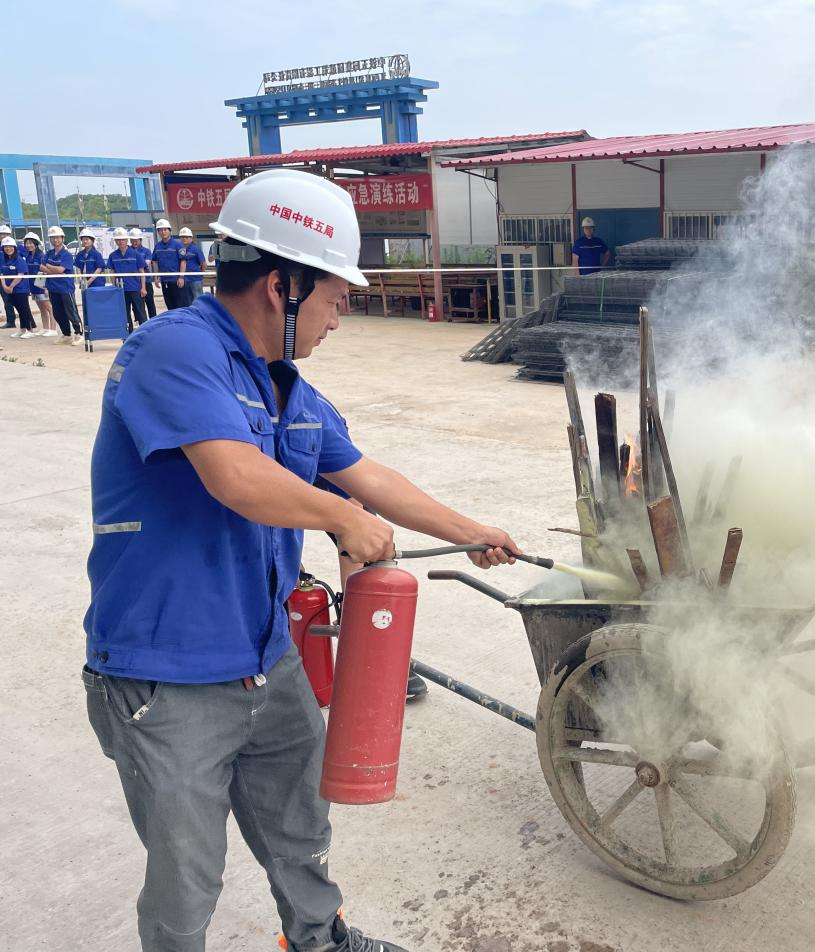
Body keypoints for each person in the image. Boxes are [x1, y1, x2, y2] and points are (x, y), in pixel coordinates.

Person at [83, 168, 519, 952]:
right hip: (168, 670)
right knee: (187, 875)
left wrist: (471, 530)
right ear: (282, 285)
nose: (340, 318)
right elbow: (237, 477)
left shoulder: (289, 390)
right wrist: (344, 520)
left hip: (266, 655)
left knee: (299, 825)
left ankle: (318, 940)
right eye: (337, 298)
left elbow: (368, 477)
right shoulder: (175, 350)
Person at [39, 226, 83, 344]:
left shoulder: (66, 255)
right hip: (52, 287)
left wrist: (49, 267)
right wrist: (54, 269)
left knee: (71, 311)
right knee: (57, 313)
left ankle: (78, 333)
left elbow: (61, 270)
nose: (55, 240)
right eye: (53, 238)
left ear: (62, 238)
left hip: (65, 287)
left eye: (58, 237)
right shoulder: (49, 253)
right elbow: (41, 267)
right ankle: (66, 334)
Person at [107, 227, 148, 331]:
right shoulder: (113, 256)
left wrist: (143, 288)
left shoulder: (136, 254)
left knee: (140, 312)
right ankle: (128, 334)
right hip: (121, 289)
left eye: (123, 239)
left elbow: (142, 271)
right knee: (125, 313)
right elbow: (112, 272)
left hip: (135, 288)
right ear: (115, 241)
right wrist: (114, 287)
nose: (120, 242)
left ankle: (145, 332)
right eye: (118, 240)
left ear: (127, 240)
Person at [1, 236, 36, 337]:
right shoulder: (3, 260)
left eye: (10, 246)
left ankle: (29, 330)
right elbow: (2, 274)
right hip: (9, 289)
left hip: (20, 289)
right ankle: (23, 329)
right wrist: (5, 286)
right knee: (19, 309)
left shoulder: (19, 259)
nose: (8, 249)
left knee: (23, 309)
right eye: (6, 247)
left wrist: (11, 286)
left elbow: (20, 275)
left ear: (14, 248)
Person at [24, 233, 58, 337]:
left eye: (31, 243)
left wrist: (44, 287)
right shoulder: (28, 256)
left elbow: (45, 271)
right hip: (32, 285)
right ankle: (45, 328)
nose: (28, 245)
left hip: (41, 284)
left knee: (49, 307)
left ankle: (53, 329)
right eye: (27, 243)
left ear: (36, 244)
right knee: (41, 308)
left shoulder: (42, 256)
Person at [75, 229, 106, 325]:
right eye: (83, 239)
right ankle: (90, 324)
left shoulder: (96, 254)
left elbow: (99, 268)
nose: (85, 241)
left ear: (92, 241)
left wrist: (89, 281)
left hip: (96, 283)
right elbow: (78, 267)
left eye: (87, 239)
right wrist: (80, 280)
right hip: (85, 284)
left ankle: (100, 323)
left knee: (97, 304)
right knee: (87, 305)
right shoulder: (80, 254)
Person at [151, 218, 183, 312]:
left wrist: (181, 277)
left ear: (170, 231)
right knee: (169, 306)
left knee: (179, 306)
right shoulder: (158, 246)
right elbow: (155, 262)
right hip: (164, 281)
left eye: (165, 229)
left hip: (176, 281)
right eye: (160, 230)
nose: (163, 232)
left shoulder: (178, 244)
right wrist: (156, 277)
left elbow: (183, 261)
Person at [130, 228, 157, 320]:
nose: (134, 242)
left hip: (147, 281)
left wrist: (134, 265)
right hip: (135, 282)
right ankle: (140, 321)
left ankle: (153, 320)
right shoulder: (128, 251)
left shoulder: (146, 251)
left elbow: (147, 263)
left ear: (140, 240)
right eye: (132, 240)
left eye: (136, 240)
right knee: (136, 304)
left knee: (150, 302)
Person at [176, 226, 205, 305]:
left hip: (195, 279)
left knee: (198, 299)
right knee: (188, 301)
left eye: (187, 237)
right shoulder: (180, 250)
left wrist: (200, 274)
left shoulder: (196, 249)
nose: (184, 239)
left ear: (191, 238)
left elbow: (203, 263)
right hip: (185, 279)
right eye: (182, 237)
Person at [0, 223, 16, 328]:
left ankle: (11, 321)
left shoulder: (14, 247)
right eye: (1, 234)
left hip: (7, 278)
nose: (3, 236)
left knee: (8, 301)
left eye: (6, 234)